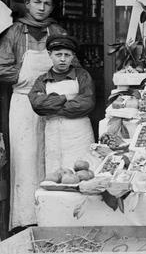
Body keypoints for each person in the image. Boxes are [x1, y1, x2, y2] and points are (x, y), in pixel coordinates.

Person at [0, 0, 67, 231]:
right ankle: (26, 219)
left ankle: (54, 217)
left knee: (53, 155)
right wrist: (24, 76)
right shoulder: (15, 32)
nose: (42, 8)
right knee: (25, 159)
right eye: (37, 2)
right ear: (27, 4)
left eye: (47, 4)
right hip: (24, 102)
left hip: (53, 100)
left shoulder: (57, 31)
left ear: (52, 7)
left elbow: (71, 61)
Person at [28, 34, 99, 174]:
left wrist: (51, 106)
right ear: (50, 54)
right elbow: (37, 104)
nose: (62, 59)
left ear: (73, 56)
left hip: (79, 134)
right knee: (56, 174)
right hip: (53, 134)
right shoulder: (42, 80)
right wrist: (66, 98)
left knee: (82, 173)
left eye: (67, 55)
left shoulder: (82, 75)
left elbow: (86, 103)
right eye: (58, 54)